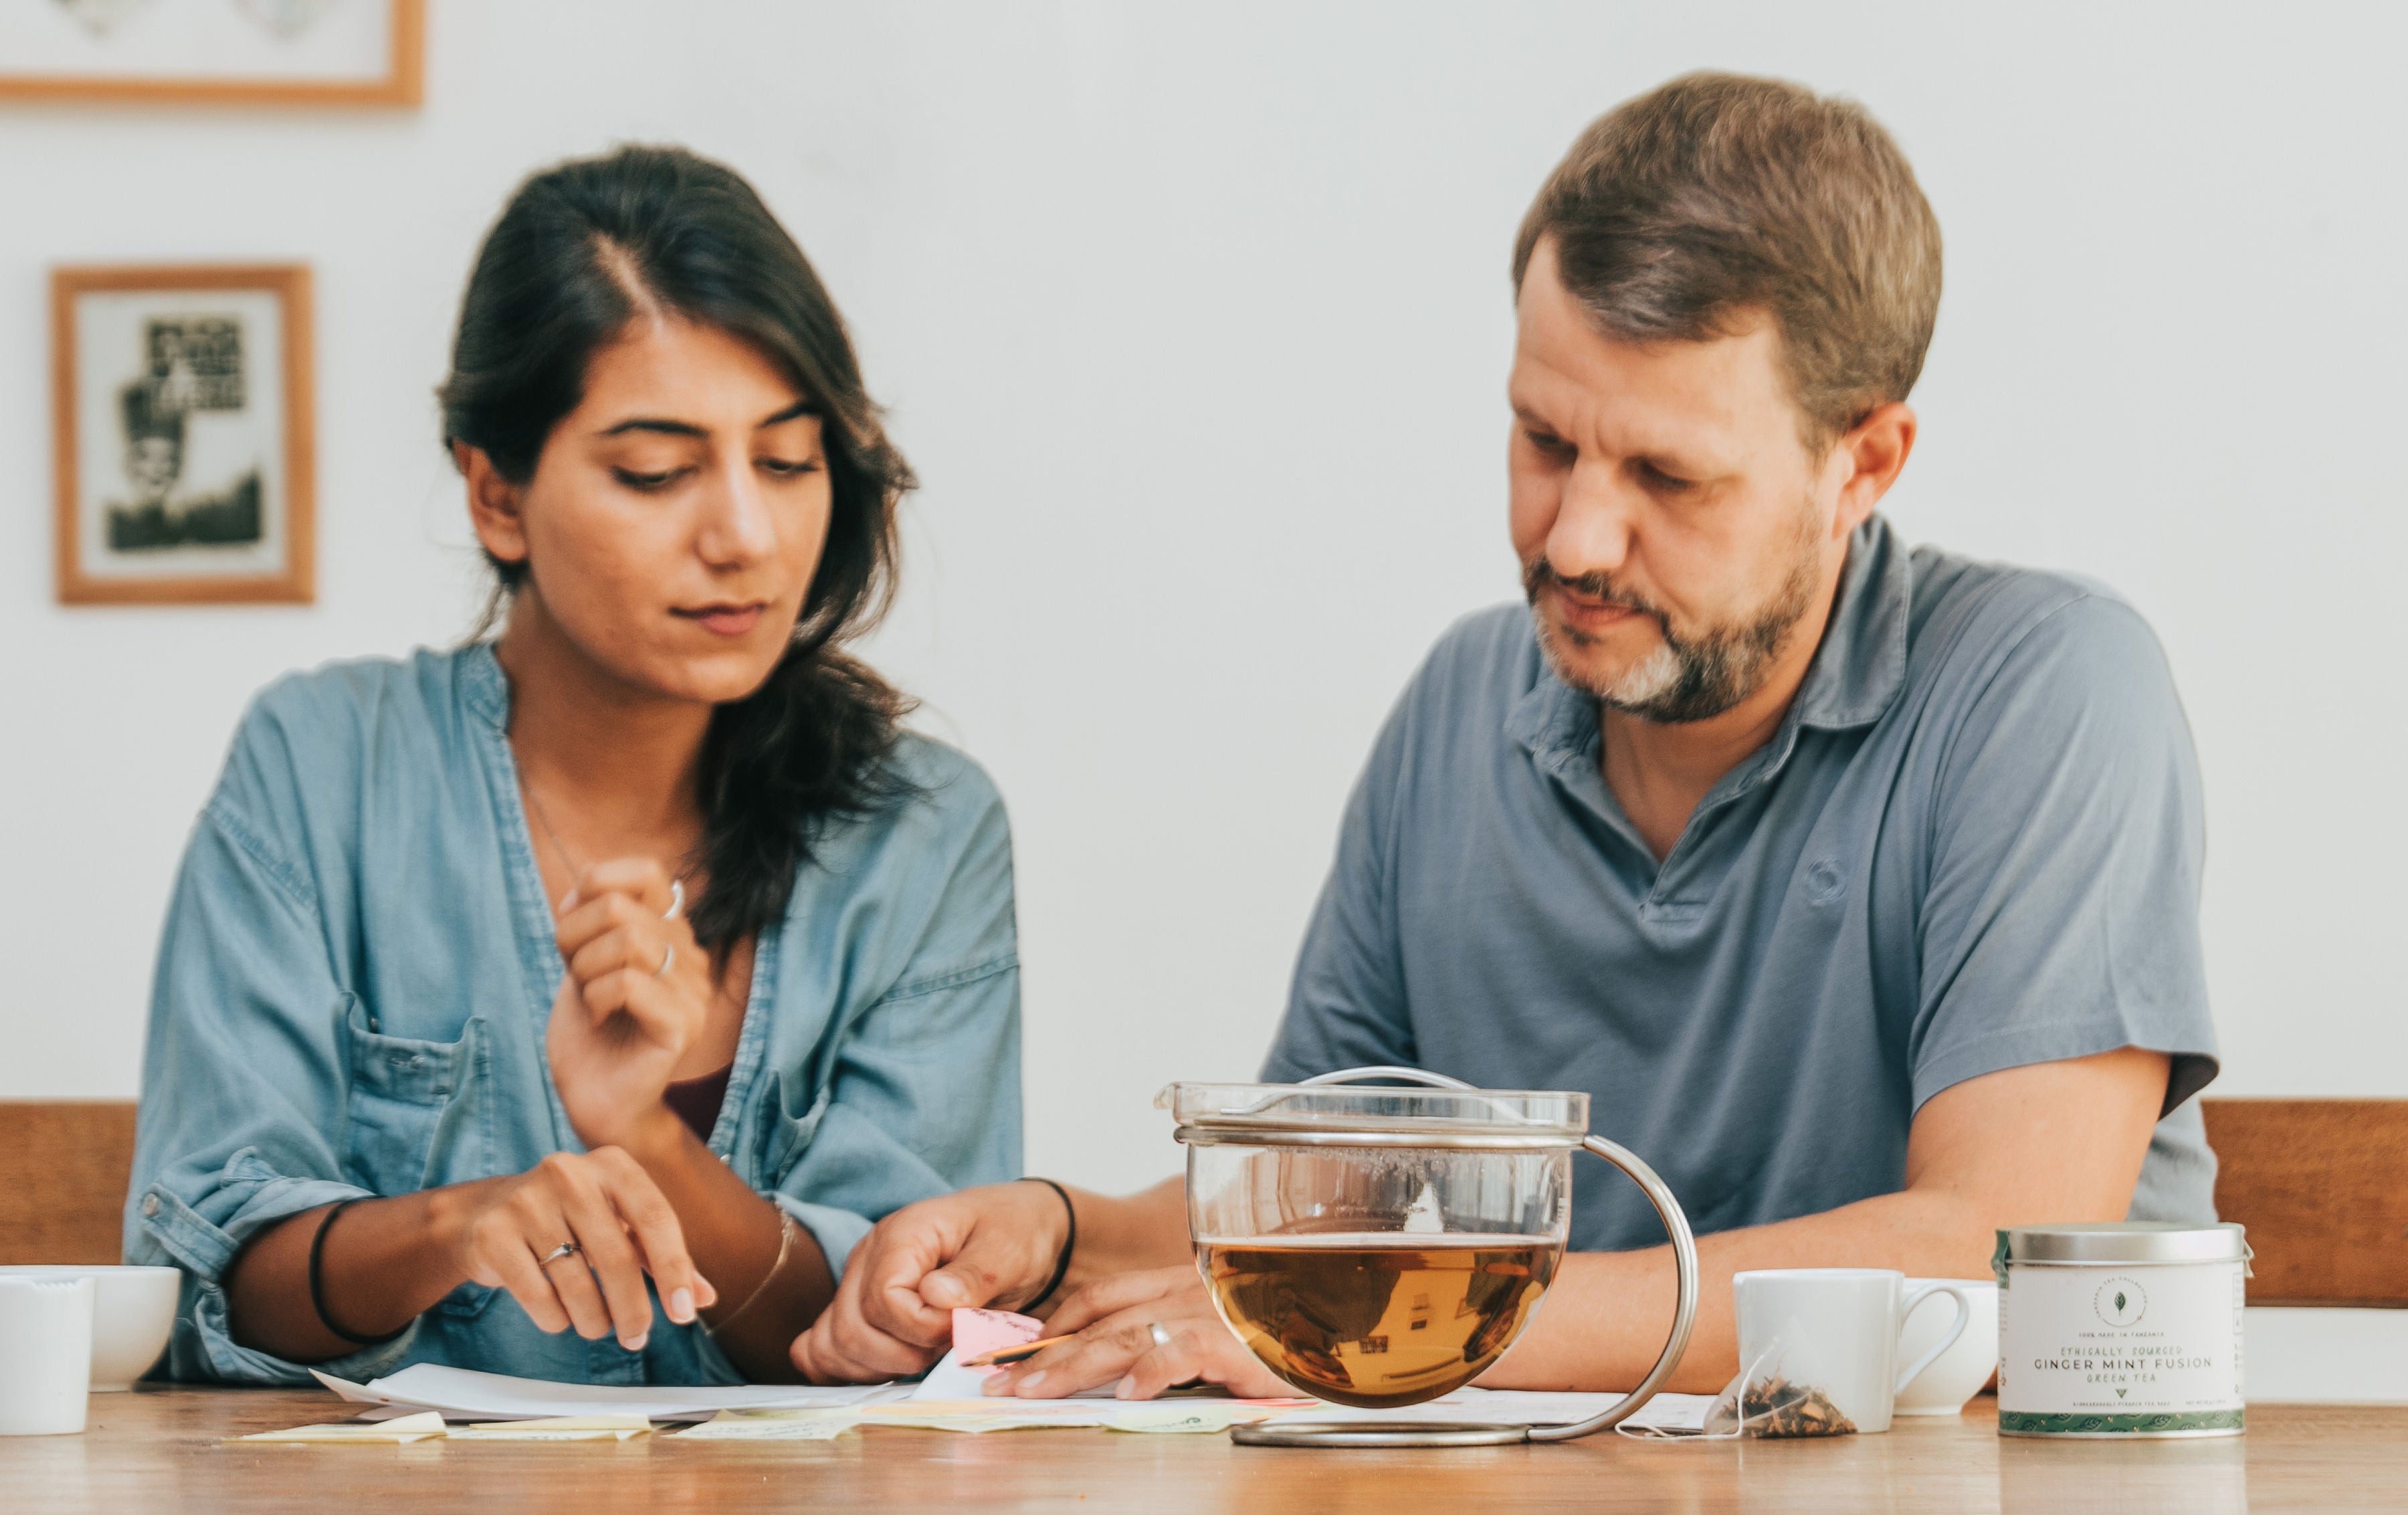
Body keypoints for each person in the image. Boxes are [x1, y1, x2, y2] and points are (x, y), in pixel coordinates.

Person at [789, 72, 2219, 1399]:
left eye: (1668, 473)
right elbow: (1319, 1197)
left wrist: (1387, 1325)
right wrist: (1062, 1232)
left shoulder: (2046, 689)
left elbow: (1987, 1250)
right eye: (1545, 440)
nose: (1576, 537)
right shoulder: (1464, 705)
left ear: (1864, 462)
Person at [125, 145, 1023, 1388]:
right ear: (497, 495)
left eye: (787, 460)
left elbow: (903, 1330)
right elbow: (204, 1282)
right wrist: (453, 1226)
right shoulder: (322, 767)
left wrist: (646, 1135)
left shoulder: (923, 830)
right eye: (656, 472)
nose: (744, 537)